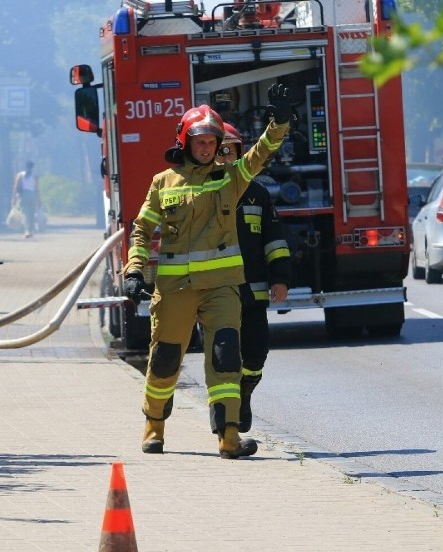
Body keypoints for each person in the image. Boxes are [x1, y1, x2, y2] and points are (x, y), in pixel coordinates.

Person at [122, 84, 291, 459]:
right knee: (165, 359)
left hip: (222, 289)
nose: (207, 147)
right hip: (176, 289)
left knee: (226, 357)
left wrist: (279, 123)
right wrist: (134, 270)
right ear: (185, 141)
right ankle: (154, 427)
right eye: (200, 141)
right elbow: (141, 230)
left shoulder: (231, 178)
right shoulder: (162, 183)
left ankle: (228, 437)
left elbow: (261, 154)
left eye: (213, 142)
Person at [216, 122, 292, 434]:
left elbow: (274, 239)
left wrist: (280, 278)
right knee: (223, 359)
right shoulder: (201, 193)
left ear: (240, 152)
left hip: (253, 293)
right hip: (215, 294)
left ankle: (245, 391)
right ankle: (228, 422)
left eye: (228, 150)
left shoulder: (257, 194)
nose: (222, 158)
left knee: (256, 353)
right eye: (217, 152)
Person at [12, 161, 41, 238]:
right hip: (32, 195)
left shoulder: (20, 175)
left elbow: (15, 187)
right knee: (31, 214)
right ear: (32, 167)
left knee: (24, 213)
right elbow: (37, 189)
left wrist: (14, 198)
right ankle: (30, 230)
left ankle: (27, 231)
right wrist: (39, 200)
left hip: (23, 196)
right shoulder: (35, 176)